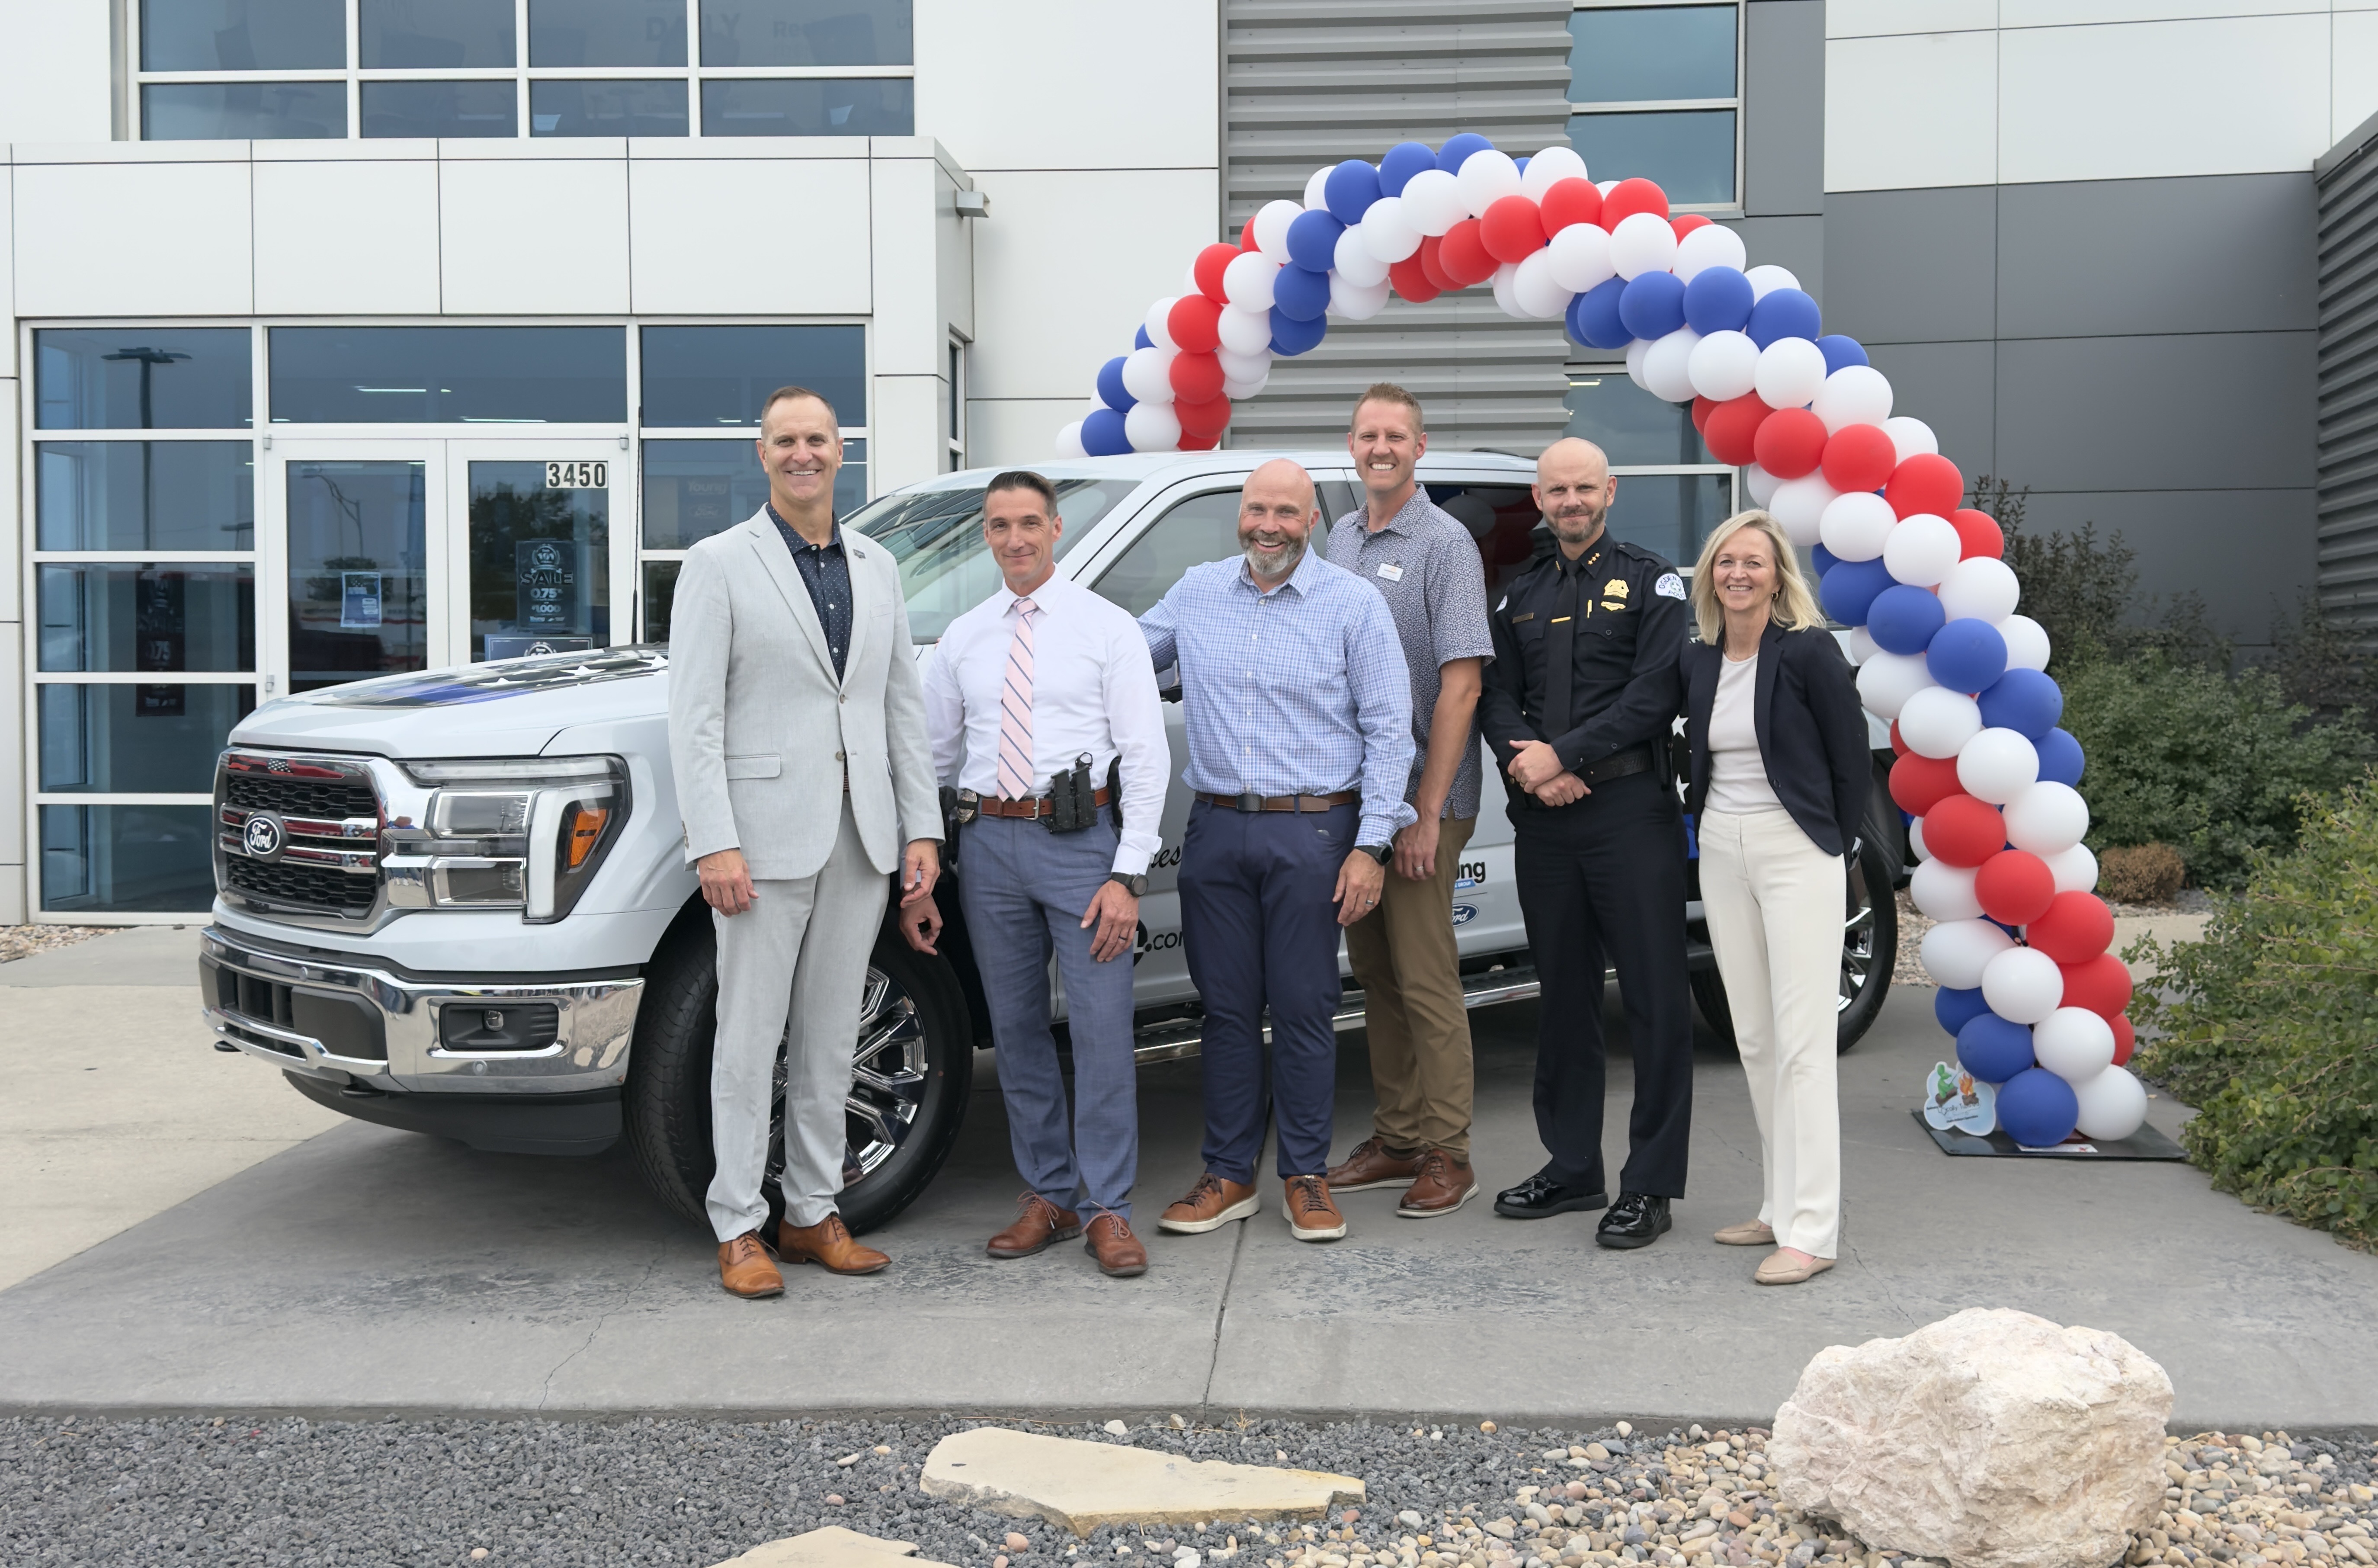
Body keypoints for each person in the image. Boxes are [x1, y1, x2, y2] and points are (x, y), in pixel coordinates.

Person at [667, 384, 943, 1299]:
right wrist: (713, 840)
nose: (802, 454)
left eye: (816, 439)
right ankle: (738, 1223)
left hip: (860, 839)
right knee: (748, 1041)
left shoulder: (877, 565)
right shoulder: (718, 563)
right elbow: (694, 719)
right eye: (785, 440)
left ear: (839, 450)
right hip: (759, 844)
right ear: (763, 454)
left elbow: (900, 708)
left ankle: (813, 1211)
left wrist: (921, 829)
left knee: (832, 1036)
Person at [900, 470, 1168, 1278]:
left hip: (1082, 847)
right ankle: (1049, 1195)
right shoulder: (964, 638)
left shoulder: (1105, 628)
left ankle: (1108, 1207)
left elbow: (1145, 756)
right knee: (1016, 1032)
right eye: (998, 525)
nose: (1014, 539)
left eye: (1028, 523)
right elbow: (934, 757)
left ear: (1054, 528)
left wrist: (1127, 875)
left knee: (1099, 1032)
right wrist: (922, 847)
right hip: (988, 847)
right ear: (986, 535)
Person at [1139, 458, 1414, 1244]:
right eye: (1257, 509)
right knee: (1225, 1009)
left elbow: (1389, 731)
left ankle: (1304, 1175)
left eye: (1286, 513)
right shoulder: (1196, 591)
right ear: (1240, 513)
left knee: (1302, 1007)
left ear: (1311, 521)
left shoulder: (1353, 603)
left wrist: (1370, 846)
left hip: (1314, 831)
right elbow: (1120, 656)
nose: (1269, 526)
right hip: (1216, 827)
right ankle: (1228, 1175)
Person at [1478, 436, 1691, 1249]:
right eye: (1557, 490)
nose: (1570, 501)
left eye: (1584, 488)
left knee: (1653, 999)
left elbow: (1654, 693)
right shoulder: (1518, 591)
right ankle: (1572, 1167)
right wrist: (1533, 770)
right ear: (1539, 499)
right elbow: (1495, 694)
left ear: (1610, 491)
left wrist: (1563, 755)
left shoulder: (1652, 580)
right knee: (1564, 997)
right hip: (1546, 820)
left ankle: (1650, 1184)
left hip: (1629, 813)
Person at [1680, 510, 1870, 1286]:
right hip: (1722, 850)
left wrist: (1832, 846)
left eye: (1753, 562)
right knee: (1755, 1038)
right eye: (1726, 561)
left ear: (1776, 575)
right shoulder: (1699, 657)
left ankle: (1813, 1230)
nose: (1738, 573)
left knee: (1803, 1043)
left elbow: (1851, 762)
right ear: (1710, 574)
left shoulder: (1809, 651)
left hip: (1797, 850)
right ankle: (1778, 1203)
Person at [1320, 385, 1496, 1218]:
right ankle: (1397, 1137)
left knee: (1426, 977)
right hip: (1359, 798)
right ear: (1351, 445)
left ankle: (1448, 1152)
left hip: (1425, 796)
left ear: (1418, 447)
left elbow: (1462, 685)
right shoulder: (1340, 538)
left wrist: (1425, 811)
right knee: (1377, 974)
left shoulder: (1445, 544)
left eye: (1395, 435)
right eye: (1368, 435)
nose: (1380, 447)